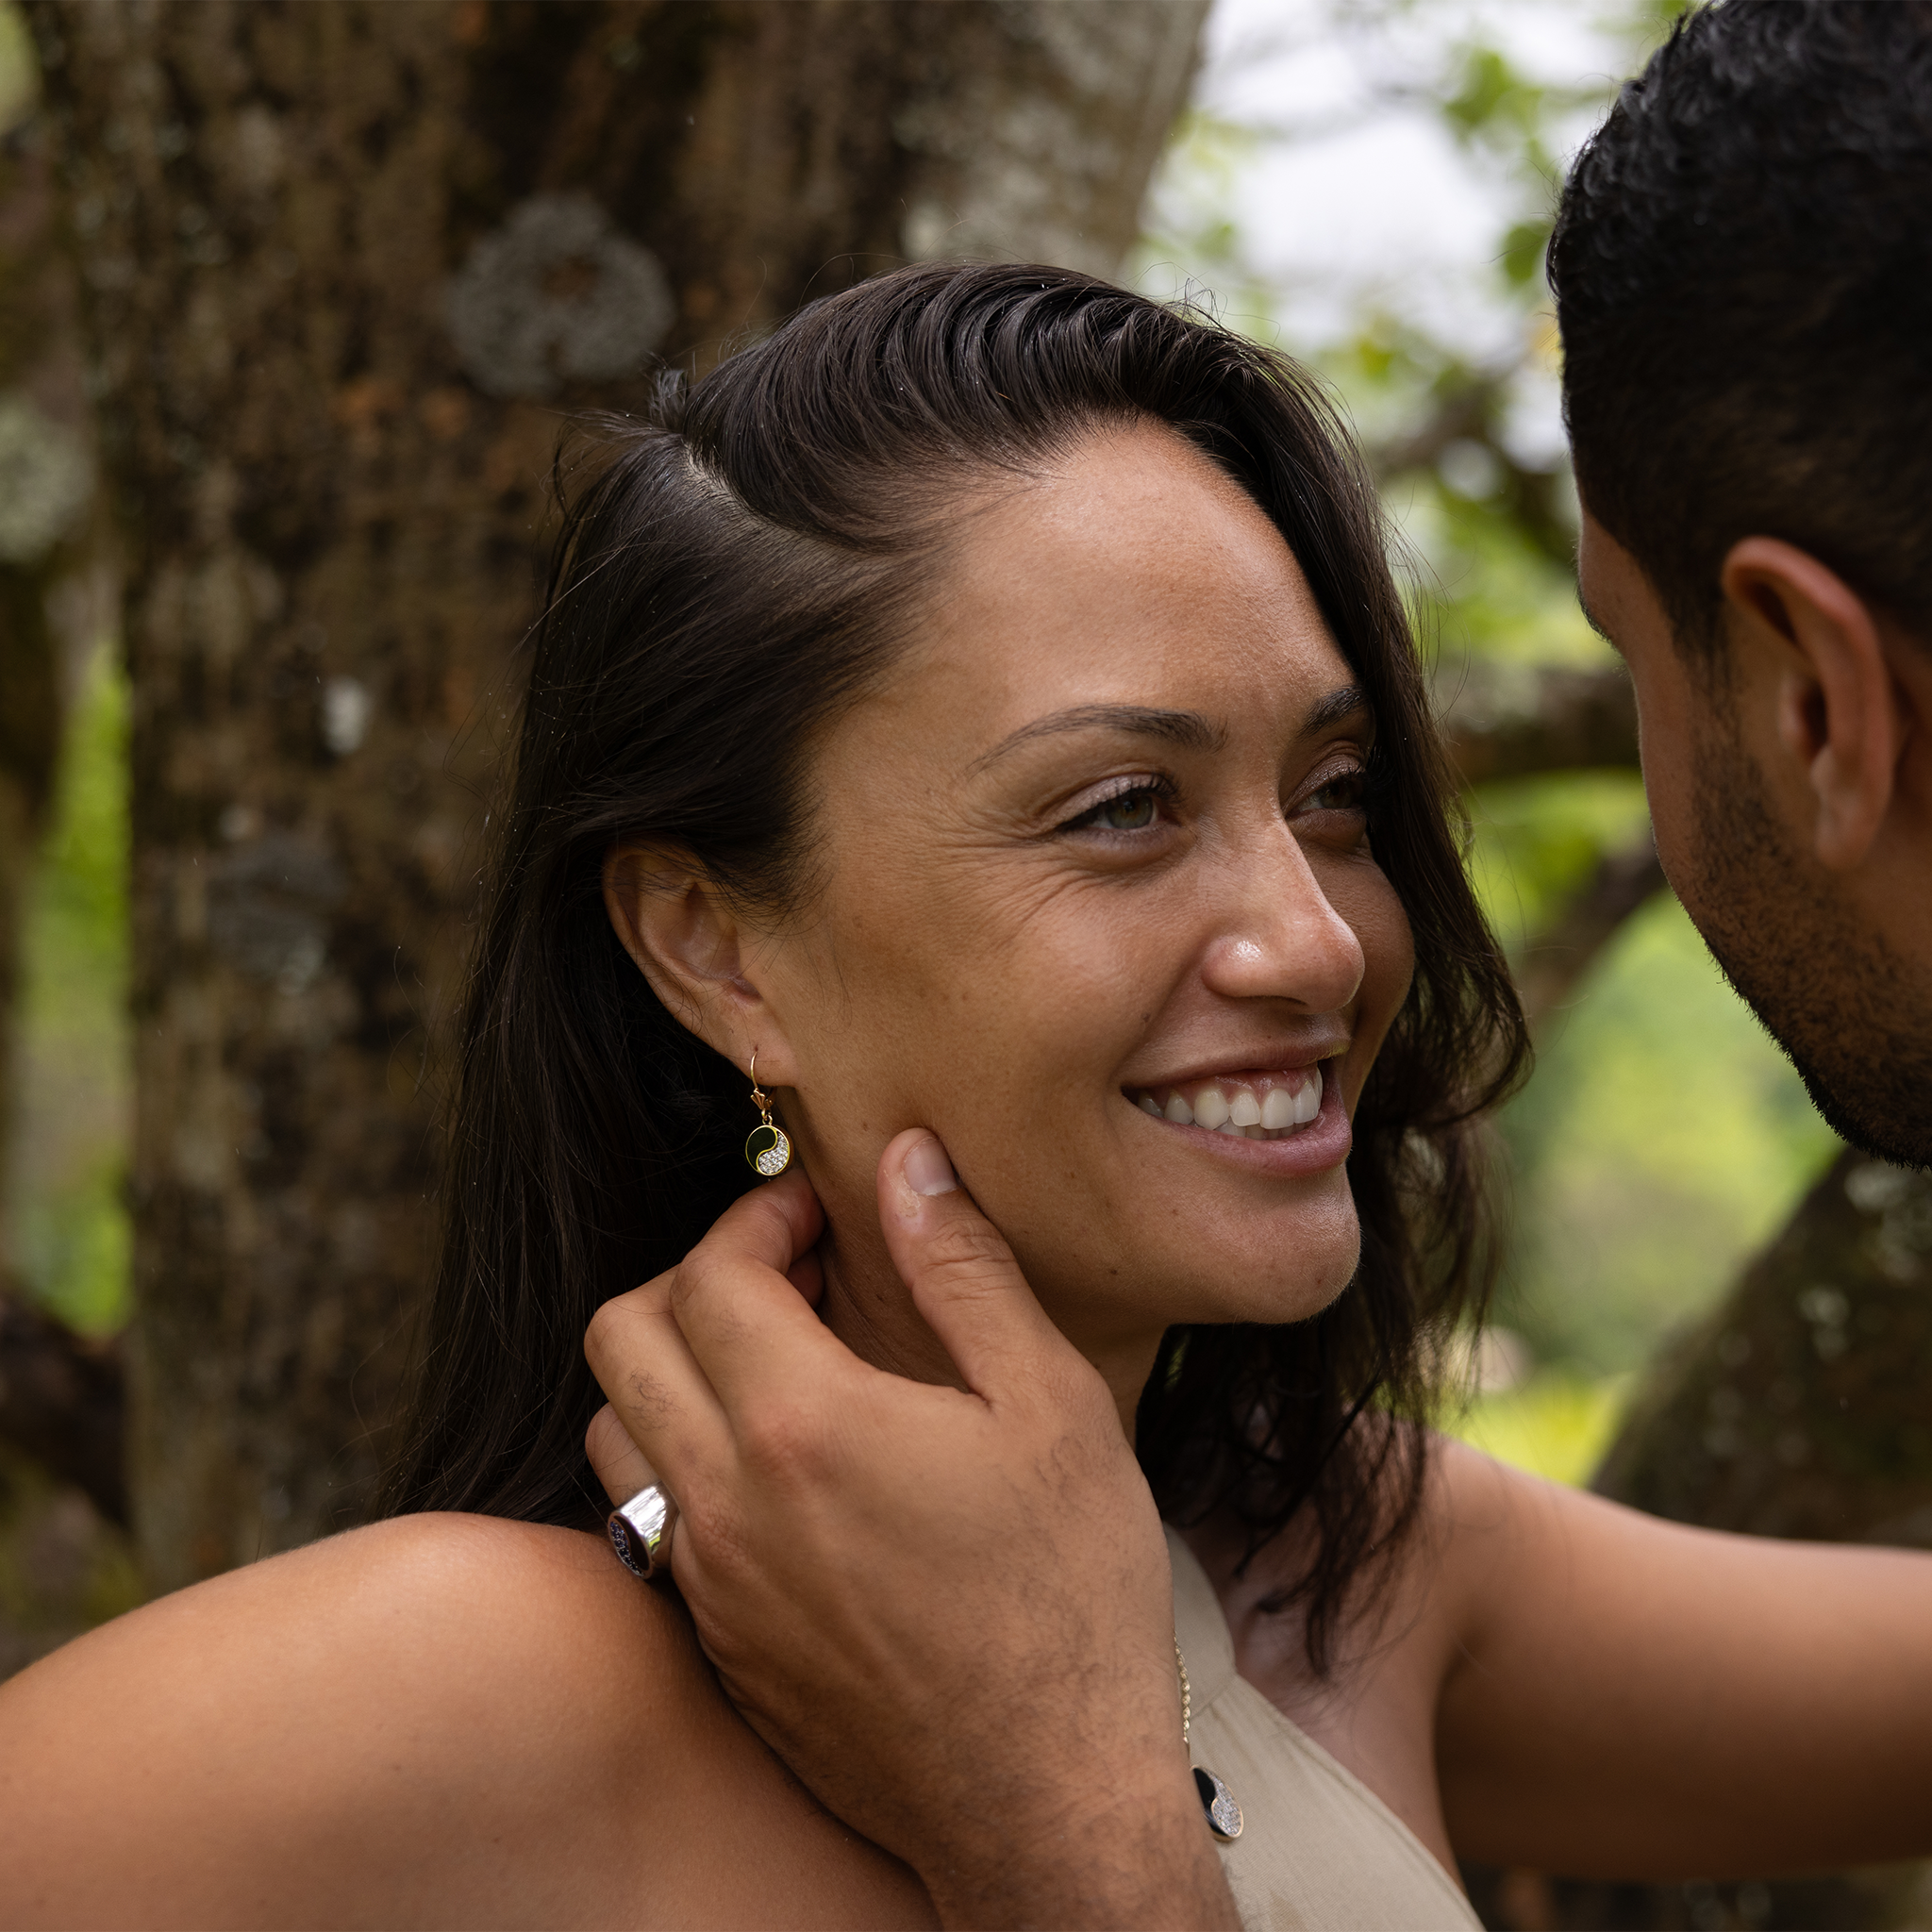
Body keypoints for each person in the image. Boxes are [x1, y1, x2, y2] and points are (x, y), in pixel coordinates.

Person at [574, 1, 1932, 1924]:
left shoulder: (1361, 1574)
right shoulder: (457, 1689)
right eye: (1122, 805)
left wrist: (1059, 1798)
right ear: (716, 946)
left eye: (1338, 790)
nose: (1312, 938)